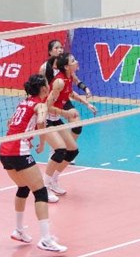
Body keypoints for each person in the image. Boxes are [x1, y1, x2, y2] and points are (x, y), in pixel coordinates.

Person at [0, 74, 67, 253]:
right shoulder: (40, 105)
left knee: (23, 187)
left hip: (4, 150)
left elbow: (10, 122)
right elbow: (40, 122)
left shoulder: (23, 103)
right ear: (44, 89)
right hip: (18, 151)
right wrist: (43, 142)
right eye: (47, 85)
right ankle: (45, 239)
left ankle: (19, 230)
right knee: (41, 192)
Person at [43, 52, 87, 197]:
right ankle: (45, 186)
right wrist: (66, 114)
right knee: (59, 150)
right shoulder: (59, 81)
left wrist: (87, 103)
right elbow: (47, 106)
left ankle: (54, 180)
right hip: (46, 119)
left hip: (56, 119)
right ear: (67, 66)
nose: (76, 61)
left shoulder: (68, 79)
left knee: (73, 150)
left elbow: (70, 94)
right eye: (73, 60)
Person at [37, 39, 96, 146]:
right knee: (51, 126)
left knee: (77, 124)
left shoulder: (66, 68)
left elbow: (74, 84)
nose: (60, 50)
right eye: (56, 48)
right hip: (51, 100)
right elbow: (40, 88)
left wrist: (86, 92)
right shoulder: (45, 68)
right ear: (50, 52)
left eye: (61, 47)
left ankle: (68, 148)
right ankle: (59, 148)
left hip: (63, 98)